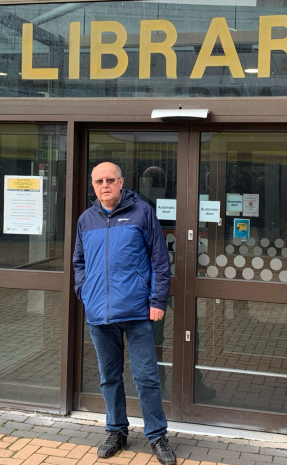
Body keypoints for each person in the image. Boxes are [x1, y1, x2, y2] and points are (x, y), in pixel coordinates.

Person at [73, 162, 176, 465]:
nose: (104, 185)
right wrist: (86, 293)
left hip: (137, 311)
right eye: (98, 181)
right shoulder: (86, 219)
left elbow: (160, 261)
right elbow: (79, 263)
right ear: (93, 185)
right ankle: (116, 431)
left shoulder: (142, 212)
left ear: (121, 182)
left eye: (110, 180)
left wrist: (157, 301)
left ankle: (157, 435)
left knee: (146, 377)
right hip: (99, 313)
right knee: (109, 378)